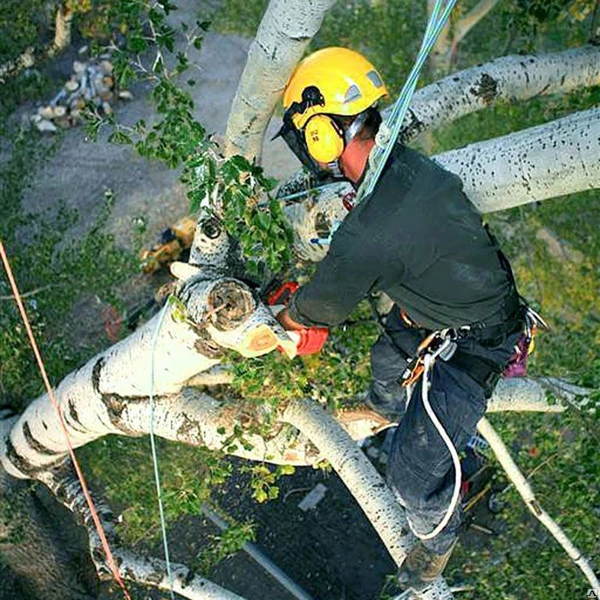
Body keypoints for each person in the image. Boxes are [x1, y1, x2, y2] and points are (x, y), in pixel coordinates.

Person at [274, 47, 525, 591]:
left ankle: (439, 539)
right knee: (387, 359)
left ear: (320, 135)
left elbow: (319, 311)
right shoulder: (399, 166)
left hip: (479, 342)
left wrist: (286, 316)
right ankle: (386, 407)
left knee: (409, 478)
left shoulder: (370, 229)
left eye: (305, 139)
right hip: (446, 305)